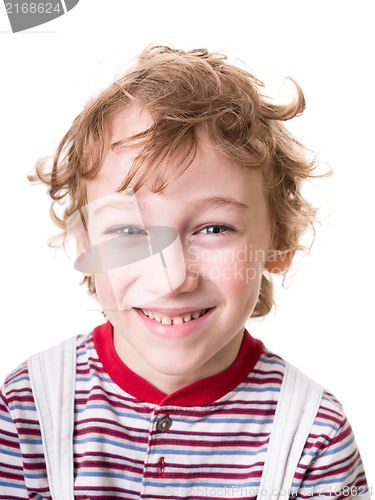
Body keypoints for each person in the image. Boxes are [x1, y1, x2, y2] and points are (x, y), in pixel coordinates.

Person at [0, 45, 370, 499]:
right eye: (130, 230)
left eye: (214, 228)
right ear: (85, 244)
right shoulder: (28, 410)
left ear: (280, 242)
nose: (171, 278)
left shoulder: (314, 436)